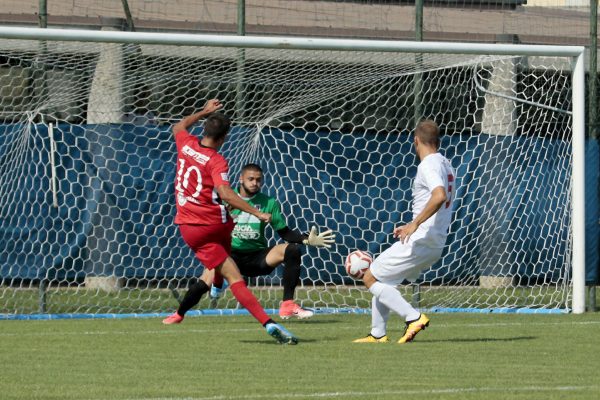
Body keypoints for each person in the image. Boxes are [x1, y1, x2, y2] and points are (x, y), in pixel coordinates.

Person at [161, 99, 297, 345]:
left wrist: (203, 111)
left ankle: (214, 285)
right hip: (213, 223)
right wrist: (256, 213)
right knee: (235, 276)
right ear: (223, 138)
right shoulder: (216, 160)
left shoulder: (186, 143)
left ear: (203, 130)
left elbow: (178, 127)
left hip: (187, 228)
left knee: (224, 252)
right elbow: (225, 193)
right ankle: (269, 323)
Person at [354, 120, 455, 344]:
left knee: (370, 277)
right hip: (433, 240)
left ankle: (413, 317)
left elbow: (439, 196)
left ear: (416, 141)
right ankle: (377, 334)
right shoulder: (446, 163)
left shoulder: (428, 164)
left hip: (421, 239)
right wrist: (412, 223)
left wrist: (414, 224)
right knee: (384, 280)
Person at [209, 163, 336, 319]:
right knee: (204, 276)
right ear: (241, 179)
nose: (255, 183)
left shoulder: (269, 202)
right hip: (231, 258)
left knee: (292, 250)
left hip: (257, 259)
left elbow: (285, 233)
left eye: (258, 180)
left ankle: (287, 304)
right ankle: (204, 294)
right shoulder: (227, 199)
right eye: (250, 179)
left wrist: (306, 240)